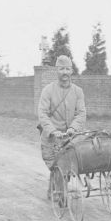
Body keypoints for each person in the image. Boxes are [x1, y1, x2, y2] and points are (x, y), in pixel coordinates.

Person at [38, 55, 86, 185]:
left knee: (69, 167)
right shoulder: (48, 90)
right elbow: (42, 114)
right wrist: (53, 131)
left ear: (71, 71)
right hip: (51, 140)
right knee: (55, 167)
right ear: (56, 70)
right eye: (61, 69)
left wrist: (73, 128)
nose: (65, 72)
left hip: (69, 138)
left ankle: (57, 184)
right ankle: (56, 184)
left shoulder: (78, 91)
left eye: (67, 69)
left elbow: (81, 113)